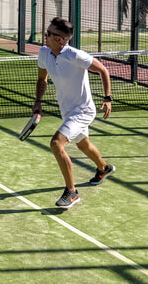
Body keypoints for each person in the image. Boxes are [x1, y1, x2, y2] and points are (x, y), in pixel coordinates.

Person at [32, 17, 115, 210]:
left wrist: (107, 98)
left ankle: (71, 192)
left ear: (59, 39)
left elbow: (103, 70)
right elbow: (42, 79)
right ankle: (104, 168)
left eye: (48, 33)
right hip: (66, 110)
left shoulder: (76, 56)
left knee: (56, 143)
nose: (45, 35)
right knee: (83, 145)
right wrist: (38, 101)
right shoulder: (44, 53)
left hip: (83, 111)